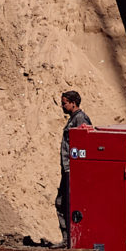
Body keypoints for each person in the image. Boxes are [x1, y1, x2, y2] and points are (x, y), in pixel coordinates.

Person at [54, 90, 94, 234]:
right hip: (68, 169)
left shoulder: (80, 119)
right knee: (62, 203)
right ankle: (67, 239)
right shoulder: (73, 118)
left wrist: (78, 168)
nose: (62, 106)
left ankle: (73, 238)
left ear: (73, 103)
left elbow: (85, 144)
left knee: (69, 203)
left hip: (74, 170)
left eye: (64, 103)